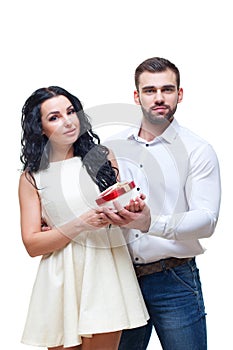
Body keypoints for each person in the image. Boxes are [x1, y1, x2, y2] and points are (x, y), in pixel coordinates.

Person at [18, 86, 151, 350]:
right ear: (40, 128)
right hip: (60, 277)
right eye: (54, 117)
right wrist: (81, 223)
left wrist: (133, 211)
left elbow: (128, 218)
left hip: (105, 269)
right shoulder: (32, 178)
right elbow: (32, 244)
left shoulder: (102, 158)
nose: (68, 121)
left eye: (70, 112)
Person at [102, 57, 221, 350]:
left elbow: (207, 220)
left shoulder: (198, 150)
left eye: (167, 89)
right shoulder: (112, 147)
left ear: (179, 94)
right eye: (149, 90)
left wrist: (150, 223)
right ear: (136, 96)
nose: (159, 98)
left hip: (174, 280)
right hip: (121, 279)